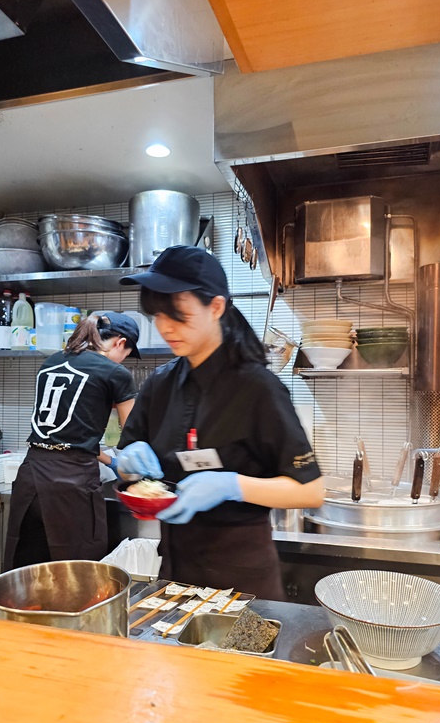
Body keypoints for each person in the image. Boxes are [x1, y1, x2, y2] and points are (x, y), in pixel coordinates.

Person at [117, 246, 323, 600]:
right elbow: (126, 469)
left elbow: (310, 490)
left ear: (215, 307)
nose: (164, 327)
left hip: (241, 576)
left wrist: (231, 485)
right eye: (156, 315)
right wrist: (128, 461)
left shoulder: (257, 388)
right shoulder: (160, 384)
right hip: (175, 571)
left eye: (177, 314)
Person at [4, 312, 140, 570]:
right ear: (120, 342)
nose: (125, 361)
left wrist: (110, 460)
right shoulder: (115, 373)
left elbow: (67, 436)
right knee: (78, 574)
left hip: (30, 476)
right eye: (128, 353)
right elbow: (133, 432)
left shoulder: (52, 361)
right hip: (71, 483)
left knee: (27, 571)